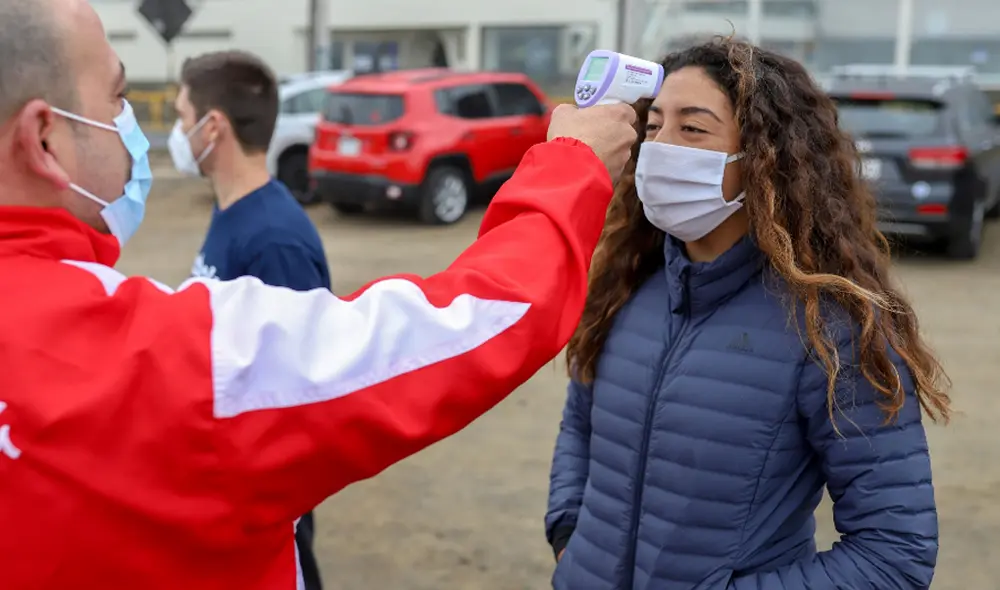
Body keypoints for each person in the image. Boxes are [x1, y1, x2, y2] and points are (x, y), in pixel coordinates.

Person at [0, 0, 638, 588]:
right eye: (117, 97)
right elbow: (475, 323)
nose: (131, 124)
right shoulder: (173, 358)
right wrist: (571, 166)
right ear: (44, 139)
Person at [545, 37, 952, 590]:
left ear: (764, 158)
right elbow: (580, 425)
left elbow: (893, 554)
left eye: (693, 128)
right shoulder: (625, 284)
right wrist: (569, 535)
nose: (661, 146)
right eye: (654, 125)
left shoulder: (829, 326)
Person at [170, 50, 330, 590]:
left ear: (213, 127)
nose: (179, 132)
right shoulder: (232, 209)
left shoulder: (275, 242)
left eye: (183, 117)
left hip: (266, 511)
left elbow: (301, 398)